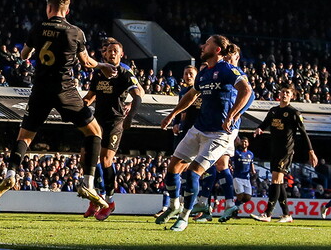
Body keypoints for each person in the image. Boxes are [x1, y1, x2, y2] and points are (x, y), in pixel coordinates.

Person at [0, 0, 116, 209]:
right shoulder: (75, 32)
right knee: (95, 132)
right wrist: (102, 65)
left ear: (49, 7)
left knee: (24, 137)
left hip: (40, 90)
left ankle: (10, 173)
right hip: (65, 90)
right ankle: (87, 183)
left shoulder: (38, 27)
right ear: (67, 9)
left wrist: (34, 50)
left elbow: (24, 55)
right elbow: (86, 63)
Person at [156, 36, 253, 232]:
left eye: (207, 44)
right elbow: (191, 95)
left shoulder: (227, 69)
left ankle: (184, 217)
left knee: (193, 172)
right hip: (198, 128)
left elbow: (247, 90)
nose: (202, 46)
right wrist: (172, 115)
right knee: (172, 168)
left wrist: (232, 116)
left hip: (219, 134)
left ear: (217, 50)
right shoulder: (203, 73)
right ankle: (174, 205)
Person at [81, 38, 143, 221]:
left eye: (116, 50)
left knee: (106, 160)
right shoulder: (99, 73)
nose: (112, 53)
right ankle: (95, 198)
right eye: (109, 50)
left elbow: (138, 95)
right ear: (104, 54)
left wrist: (131, 115)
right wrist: (80, 106)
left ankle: (110, 201)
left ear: (121, 54)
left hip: (115, 121)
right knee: (85, 156)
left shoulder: (124, 73)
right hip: (97, 120)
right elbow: (91, 96)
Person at [250, 85, 318, 223]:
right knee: (279, 182)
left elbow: (304, 133)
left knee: (276, 179)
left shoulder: (294, 113)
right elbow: (265, 123)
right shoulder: (273, 111)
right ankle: (287, 215)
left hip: (286, 151)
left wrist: (311, 151)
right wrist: (259, 129)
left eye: (287, 93)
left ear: (292, 96)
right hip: (274, 150)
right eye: (282, 92)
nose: (284, 95)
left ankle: (267, 214)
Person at [154, 65, 199, 218]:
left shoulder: (203, 92)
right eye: (186, 73)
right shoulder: (183, 92)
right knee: (174, 170)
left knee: (190, 172)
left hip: (199, 135)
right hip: (183, 134)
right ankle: (170, 205)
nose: (188, 76)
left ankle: (194, 207)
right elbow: (181, 113)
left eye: (191, 73)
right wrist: (175, 124)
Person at [219, 136, 255, 222]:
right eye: (242, 141)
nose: (244, 143)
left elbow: (251, 163)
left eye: (245, 142)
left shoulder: (250, 154)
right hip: (237, 177)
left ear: (248, 143)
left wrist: (253, 170)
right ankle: (233, 212)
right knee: (240, 196)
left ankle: (232, 208)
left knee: (247, 198)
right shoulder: (236, 152)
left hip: (247, 178)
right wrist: (229, 165)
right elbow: (229, 160)